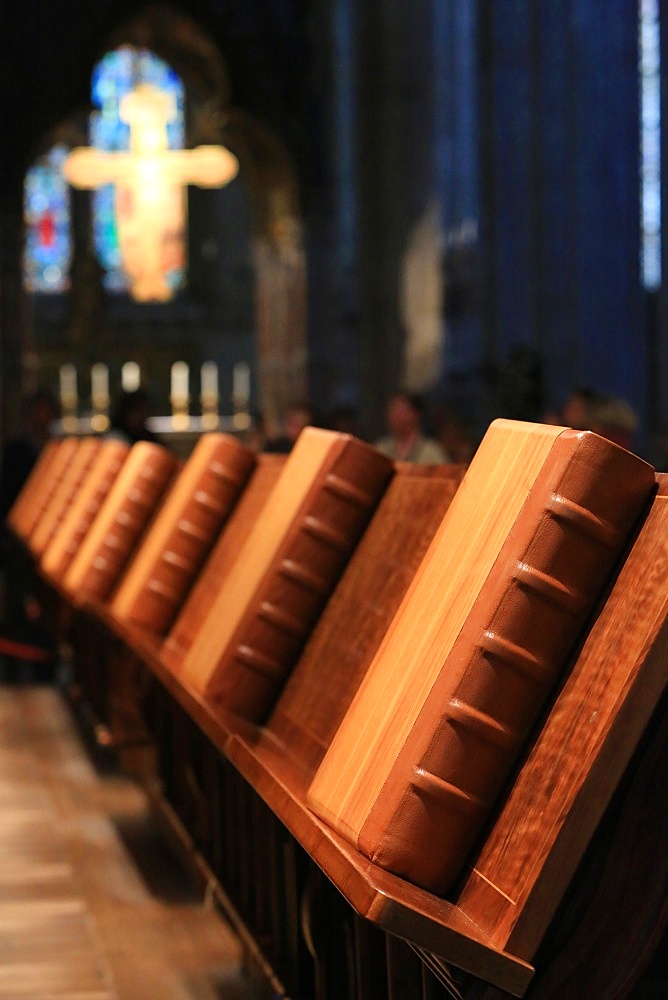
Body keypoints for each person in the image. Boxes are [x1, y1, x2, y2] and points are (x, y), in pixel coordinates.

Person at [375, 392, 449, 463]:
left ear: (415, 414)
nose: (394, 414)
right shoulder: (381, 449)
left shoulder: (431, 452)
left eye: (400, 410)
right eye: (392, 409)